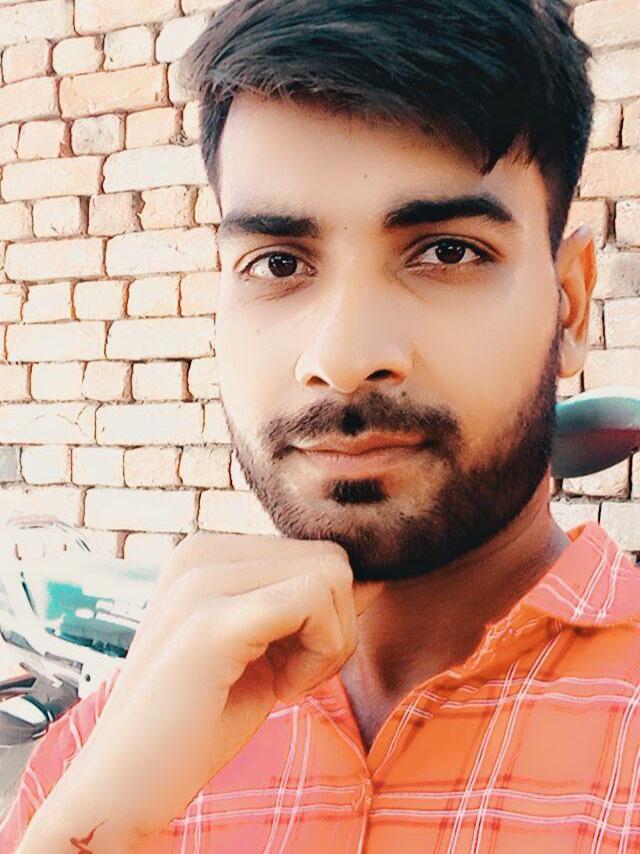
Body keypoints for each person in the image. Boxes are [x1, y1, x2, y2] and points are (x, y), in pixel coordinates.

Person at [3, 0, 639, 850]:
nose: (341, 358)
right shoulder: (108, 750)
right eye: (278, 263)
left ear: (570, 304)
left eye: (447, 252)